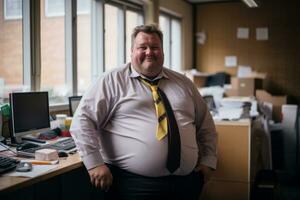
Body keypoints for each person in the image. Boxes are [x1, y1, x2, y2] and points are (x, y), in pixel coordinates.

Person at [70, 24, 217, 200]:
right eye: (142, 47)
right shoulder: (111, 81)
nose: (149, 52)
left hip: (186, 183)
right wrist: (94, 164)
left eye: (155, 47)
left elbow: (205, 125)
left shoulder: (184, 83)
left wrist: (209, 161)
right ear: (131, 51)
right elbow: (82, 121)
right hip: (133, 185)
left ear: (162, 52)